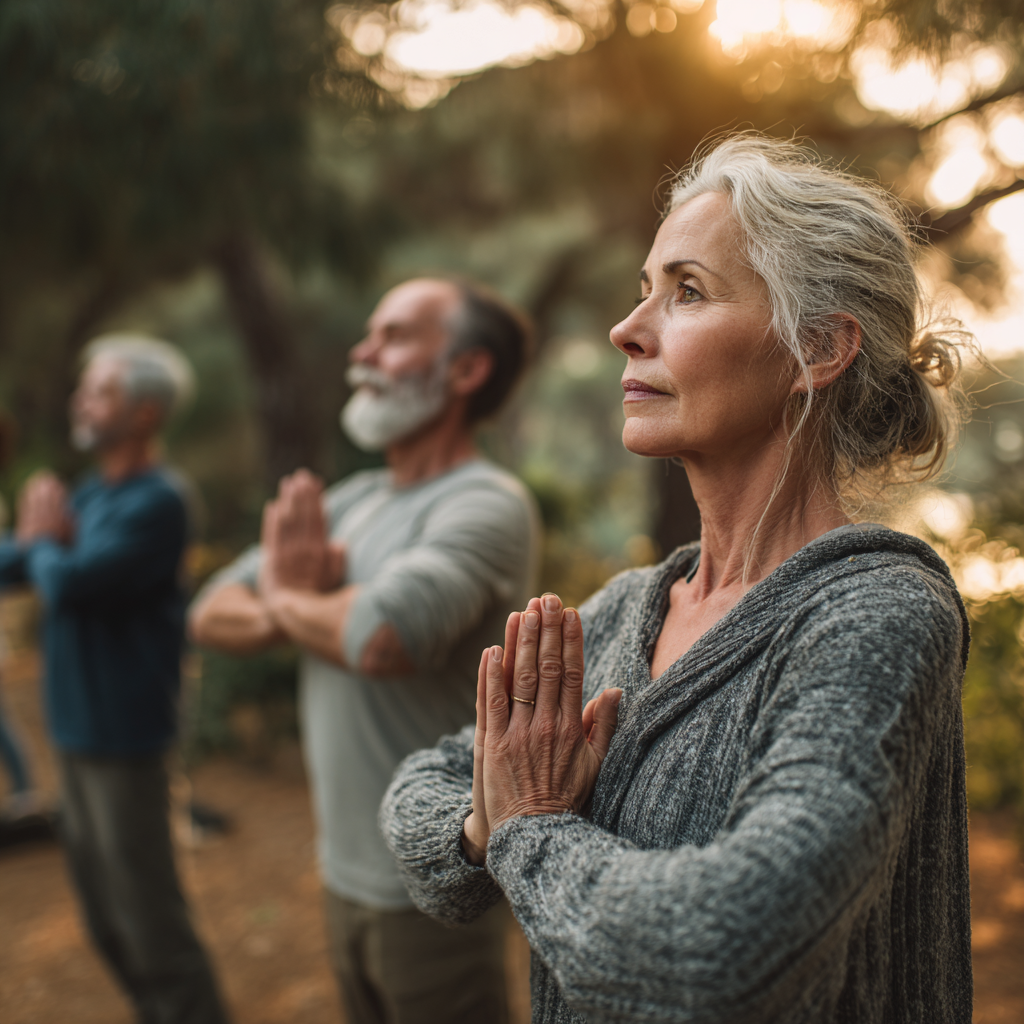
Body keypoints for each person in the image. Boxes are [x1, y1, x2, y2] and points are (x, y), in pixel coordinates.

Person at [380, 135, 974, 1023]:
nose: (628, 328)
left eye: (687, 291)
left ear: (817, 348)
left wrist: (529, 827)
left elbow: (733, 941)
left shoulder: (877, 614)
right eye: (642, 289)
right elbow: (420, 793)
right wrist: (484, 822)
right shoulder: (626, 609)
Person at [190, 277, 539, 1024]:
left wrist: (283, 597)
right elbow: (211, 612)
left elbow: (382, 638)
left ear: (466, 371)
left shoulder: (484, 501)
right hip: (341, 872)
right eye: (370, 333)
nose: (363, 352)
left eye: (394, 335)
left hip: (437, 883)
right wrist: (311, 607)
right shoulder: (354, 502)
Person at [0, 336, 229, 1024]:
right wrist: (40, 543)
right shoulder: (92, 491)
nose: (80, 400)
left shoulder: (158, 502)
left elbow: (67, 583)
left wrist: (42, 543)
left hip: (127, 744)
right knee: (106, 924)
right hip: (73, 736)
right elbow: (20, 561)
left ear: (145, 414)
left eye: (98, 390)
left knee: (154, 930)